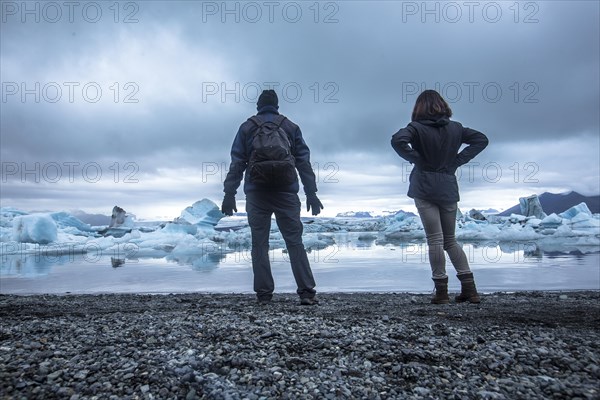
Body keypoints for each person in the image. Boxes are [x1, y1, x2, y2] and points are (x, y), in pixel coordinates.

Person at [221, 89, 323, 306]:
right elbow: (303, 162)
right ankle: (306, 292)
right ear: (277, 106)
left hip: (257, 193)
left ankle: (264, 295)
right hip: (286, 192)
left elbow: (237, 162)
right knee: (294, 242)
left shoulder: (247, 127)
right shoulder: (290, 126)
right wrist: (311, 193)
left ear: (258, 105)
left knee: (260, 244)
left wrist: (229, 193)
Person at [391, 90, 488, 304]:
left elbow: (398, 140)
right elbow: (481, 139)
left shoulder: (415, 128)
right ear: (443, 105)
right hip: (447, 186)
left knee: (435, 239)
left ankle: (441, 292)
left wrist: (416, 158)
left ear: (418, 108)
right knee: (450, 240)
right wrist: (457, 160)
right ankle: (470, 290)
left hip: (424, 186)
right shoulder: (456, 128)